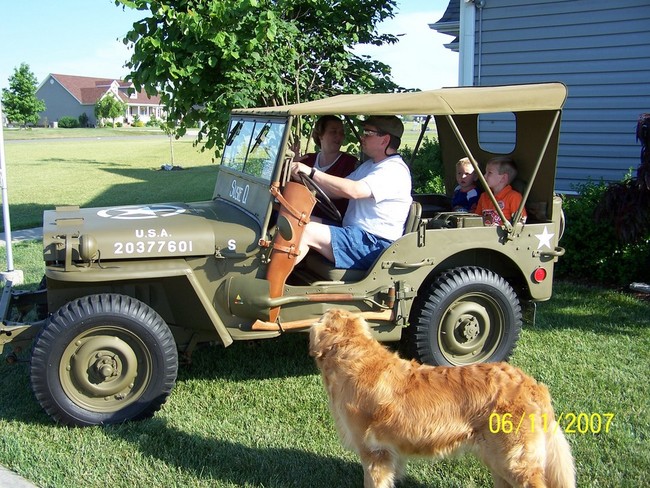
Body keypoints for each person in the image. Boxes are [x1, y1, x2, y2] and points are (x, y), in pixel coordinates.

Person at [291, 115, 412, 269]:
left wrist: (312, 172)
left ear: (384, 140)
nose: (362, 137)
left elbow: (354, 190)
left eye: (368, 133)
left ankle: (271, 287)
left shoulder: (393, 169)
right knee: (296, 219)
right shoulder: (369, 166)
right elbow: (334, 191)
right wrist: (300, 177)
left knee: (308, 230)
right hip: (355, 235)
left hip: (374, 245)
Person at [294, 115, 358, 219]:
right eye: (333, 132)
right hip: (298, 212)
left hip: (329, 220)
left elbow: (340, 194)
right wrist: (291, 164)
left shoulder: (350, 163)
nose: (339, 136)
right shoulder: (307, 159)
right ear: (320, 135)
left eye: (341, 133)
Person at [474, 156, 527, 226]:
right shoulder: (484, 196)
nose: (484, 176)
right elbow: (475, 219)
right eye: (485, 172)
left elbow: (520, 222)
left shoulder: (514, 197)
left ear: (503, 178)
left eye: (489, 173)